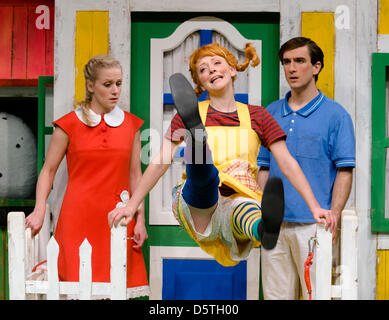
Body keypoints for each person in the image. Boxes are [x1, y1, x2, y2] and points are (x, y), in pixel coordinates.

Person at [108, 42, 334, 268]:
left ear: (233, 70)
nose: (212, 70)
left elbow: (287, 162)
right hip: (199, 205)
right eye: (203, 69)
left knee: (243, 209)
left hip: (239, 193)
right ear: (200, 82)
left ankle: (264, 230)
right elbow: (160, 161)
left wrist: (315, 206)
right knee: (204, 178)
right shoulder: (186, 116)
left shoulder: (258, 116)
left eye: (217, 63)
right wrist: (132, 205)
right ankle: (198, 141)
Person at [25, 55, 149, 298]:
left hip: (118, 216)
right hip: (77, 217)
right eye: (108, 84)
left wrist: (141, 219)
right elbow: (48, 170)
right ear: (91, 86)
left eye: (119, 83)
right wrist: (40, 209)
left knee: (116, 287)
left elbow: (136, 175)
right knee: (76, 287)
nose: (115, 91)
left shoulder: (131, 125)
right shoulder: (68, 124)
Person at [257, 37, 355, 300]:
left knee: (317, 296)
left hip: (314, 226)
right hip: (274, 226)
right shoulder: (270, 112)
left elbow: (345, 171)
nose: (291, 68)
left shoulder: (337, 115)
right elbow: (264, 167)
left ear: (316, 67)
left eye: (299, 61)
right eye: (286, 62)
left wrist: (333, 216)